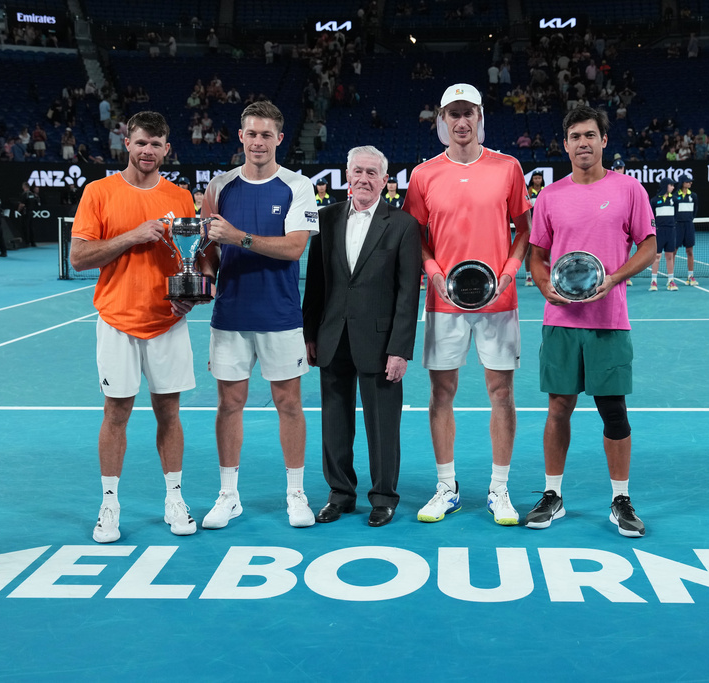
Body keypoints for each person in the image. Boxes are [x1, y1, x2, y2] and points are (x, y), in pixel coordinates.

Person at [403, 83, 532, 526]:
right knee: (442, 392)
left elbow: (525, 230)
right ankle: (447, 487)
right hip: (444, 305)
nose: (461, 122)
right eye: (453, 114)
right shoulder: (423, 175)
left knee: (502, 393)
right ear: (443, 120)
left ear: (480, 118)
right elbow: (415, 237)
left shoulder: (508, 168)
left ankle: (499, 489)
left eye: (469, 113)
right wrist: (434, 272)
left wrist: (510, 274)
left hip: (499, 302)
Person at [68, 110, 199, 543]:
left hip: (167, 320)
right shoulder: (99, 192)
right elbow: (80, 258)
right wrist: (132, 236)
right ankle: (109, 504)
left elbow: (190, 259)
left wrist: (191, 295)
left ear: (167, 148)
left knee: (170, 412)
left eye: (156, 144)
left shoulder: (181, 198)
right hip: (117, 320)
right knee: (116, 413)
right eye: (141, 142)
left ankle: (174, 498)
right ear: (127, 142)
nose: (148, 151)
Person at [526, 105, 657, 537]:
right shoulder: (550, 195)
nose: (583, 143)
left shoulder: (629, 190)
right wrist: (544, 284)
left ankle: (621, 500)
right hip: (561, 319)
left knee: (613, 411)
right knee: (558, 408)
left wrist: (615, 278)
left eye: (590, 135)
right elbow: (537, 254)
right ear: (565, 145)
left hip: (609, 319)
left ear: (604, 140)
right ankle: (552, 494)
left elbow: (649, 246)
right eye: (575, 136)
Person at [197, 100, 319, 529]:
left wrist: (239, 237)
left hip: (281, 314)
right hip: (229, 313)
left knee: (289, 403)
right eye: (252, 133)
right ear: (241, 136)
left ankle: (296, 494)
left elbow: (294, 247)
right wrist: (204, 274)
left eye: (267, 134)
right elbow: (207, 249)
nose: (259, 141)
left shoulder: (297, 186)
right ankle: (228, 495)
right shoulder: (220, 186)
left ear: (279, 139)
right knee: (229, 404)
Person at [302, 145, 422, 527]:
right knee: (334, 420)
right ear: (347, 175)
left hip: (381, 342)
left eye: (373, 172)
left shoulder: (402, 224)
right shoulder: (326, 218)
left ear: (385, 181)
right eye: (358, 171)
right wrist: (309, 333)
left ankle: (384, 496)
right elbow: (316, 284)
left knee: (383, 424)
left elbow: (408, 293)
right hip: (332, 335)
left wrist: (400, 349)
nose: (364, 179)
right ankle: (340, 493)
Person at [648, 177, 677, 291]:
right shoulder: (655, 200)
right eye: (671, 185)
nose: (673, 187)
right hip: (659, 231)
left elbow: (677, 215)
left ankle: (671, 281)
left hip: (671, 231)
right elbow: (650, 216)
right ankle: (653, 281)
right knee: (657, 256)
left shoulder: (674, 200)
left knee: (670, 255)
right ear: (666, 186)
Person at [674, 177, 699, 286]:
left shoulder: (693, 196)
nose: (690, 183)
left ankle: (690, 276)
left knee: (689, 251)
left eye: (691, 181)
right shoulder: (675, 196)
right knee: (673, 251)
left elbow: (695, 210)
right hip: (677, 226)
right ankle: (671, 277)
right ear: (682, 183)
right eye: (688, 181)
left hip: (689, 225)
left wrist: (689, 220)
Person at [524, 170, 546, 286]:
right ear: (532, 179)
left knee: (543, 252)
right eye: (535, 178)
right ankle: (528, 277)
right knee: (529, 252)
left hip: (543, 228)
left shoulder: (545, 190)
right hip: (531, 226)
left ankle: (542, 276)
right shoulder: (529, 191)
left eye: (539, 178)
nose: (537, 180)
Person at [17, 182, 41, 247]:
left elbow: (22, 204)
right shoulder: (32, 194)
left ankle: (27, 242)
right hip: (31, 212)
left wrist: (18, 210)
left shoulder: (24, 194)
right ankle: (33, 242)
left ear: (24, 187)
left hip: (25, 212)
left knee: (25, 227)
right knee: (31, 227)